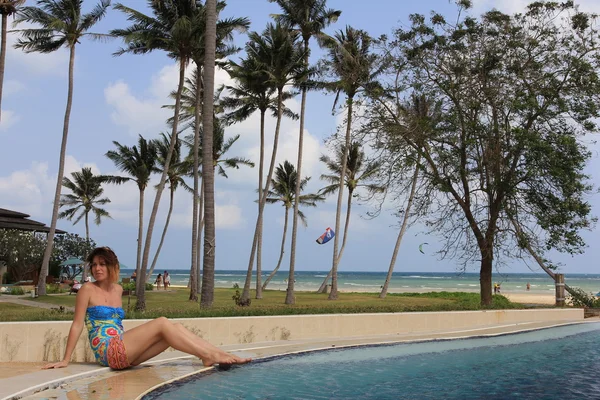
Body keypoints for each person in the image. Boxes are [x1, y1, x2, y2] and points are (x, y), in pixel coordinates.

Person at [43, 247, 250, 371]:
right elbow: (77, 325)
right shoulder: (86, 289)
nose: (97, 268)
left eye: (103, 264)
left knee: (173, 328)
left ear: (112, 267)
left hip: (124, 353)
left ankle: (217, 353)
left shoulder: (118, 289)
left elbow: (117, 325)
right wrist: (65, 359)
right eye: (95, 264)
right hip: (107, 351)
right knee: (162, 322)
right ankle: (208, 356)